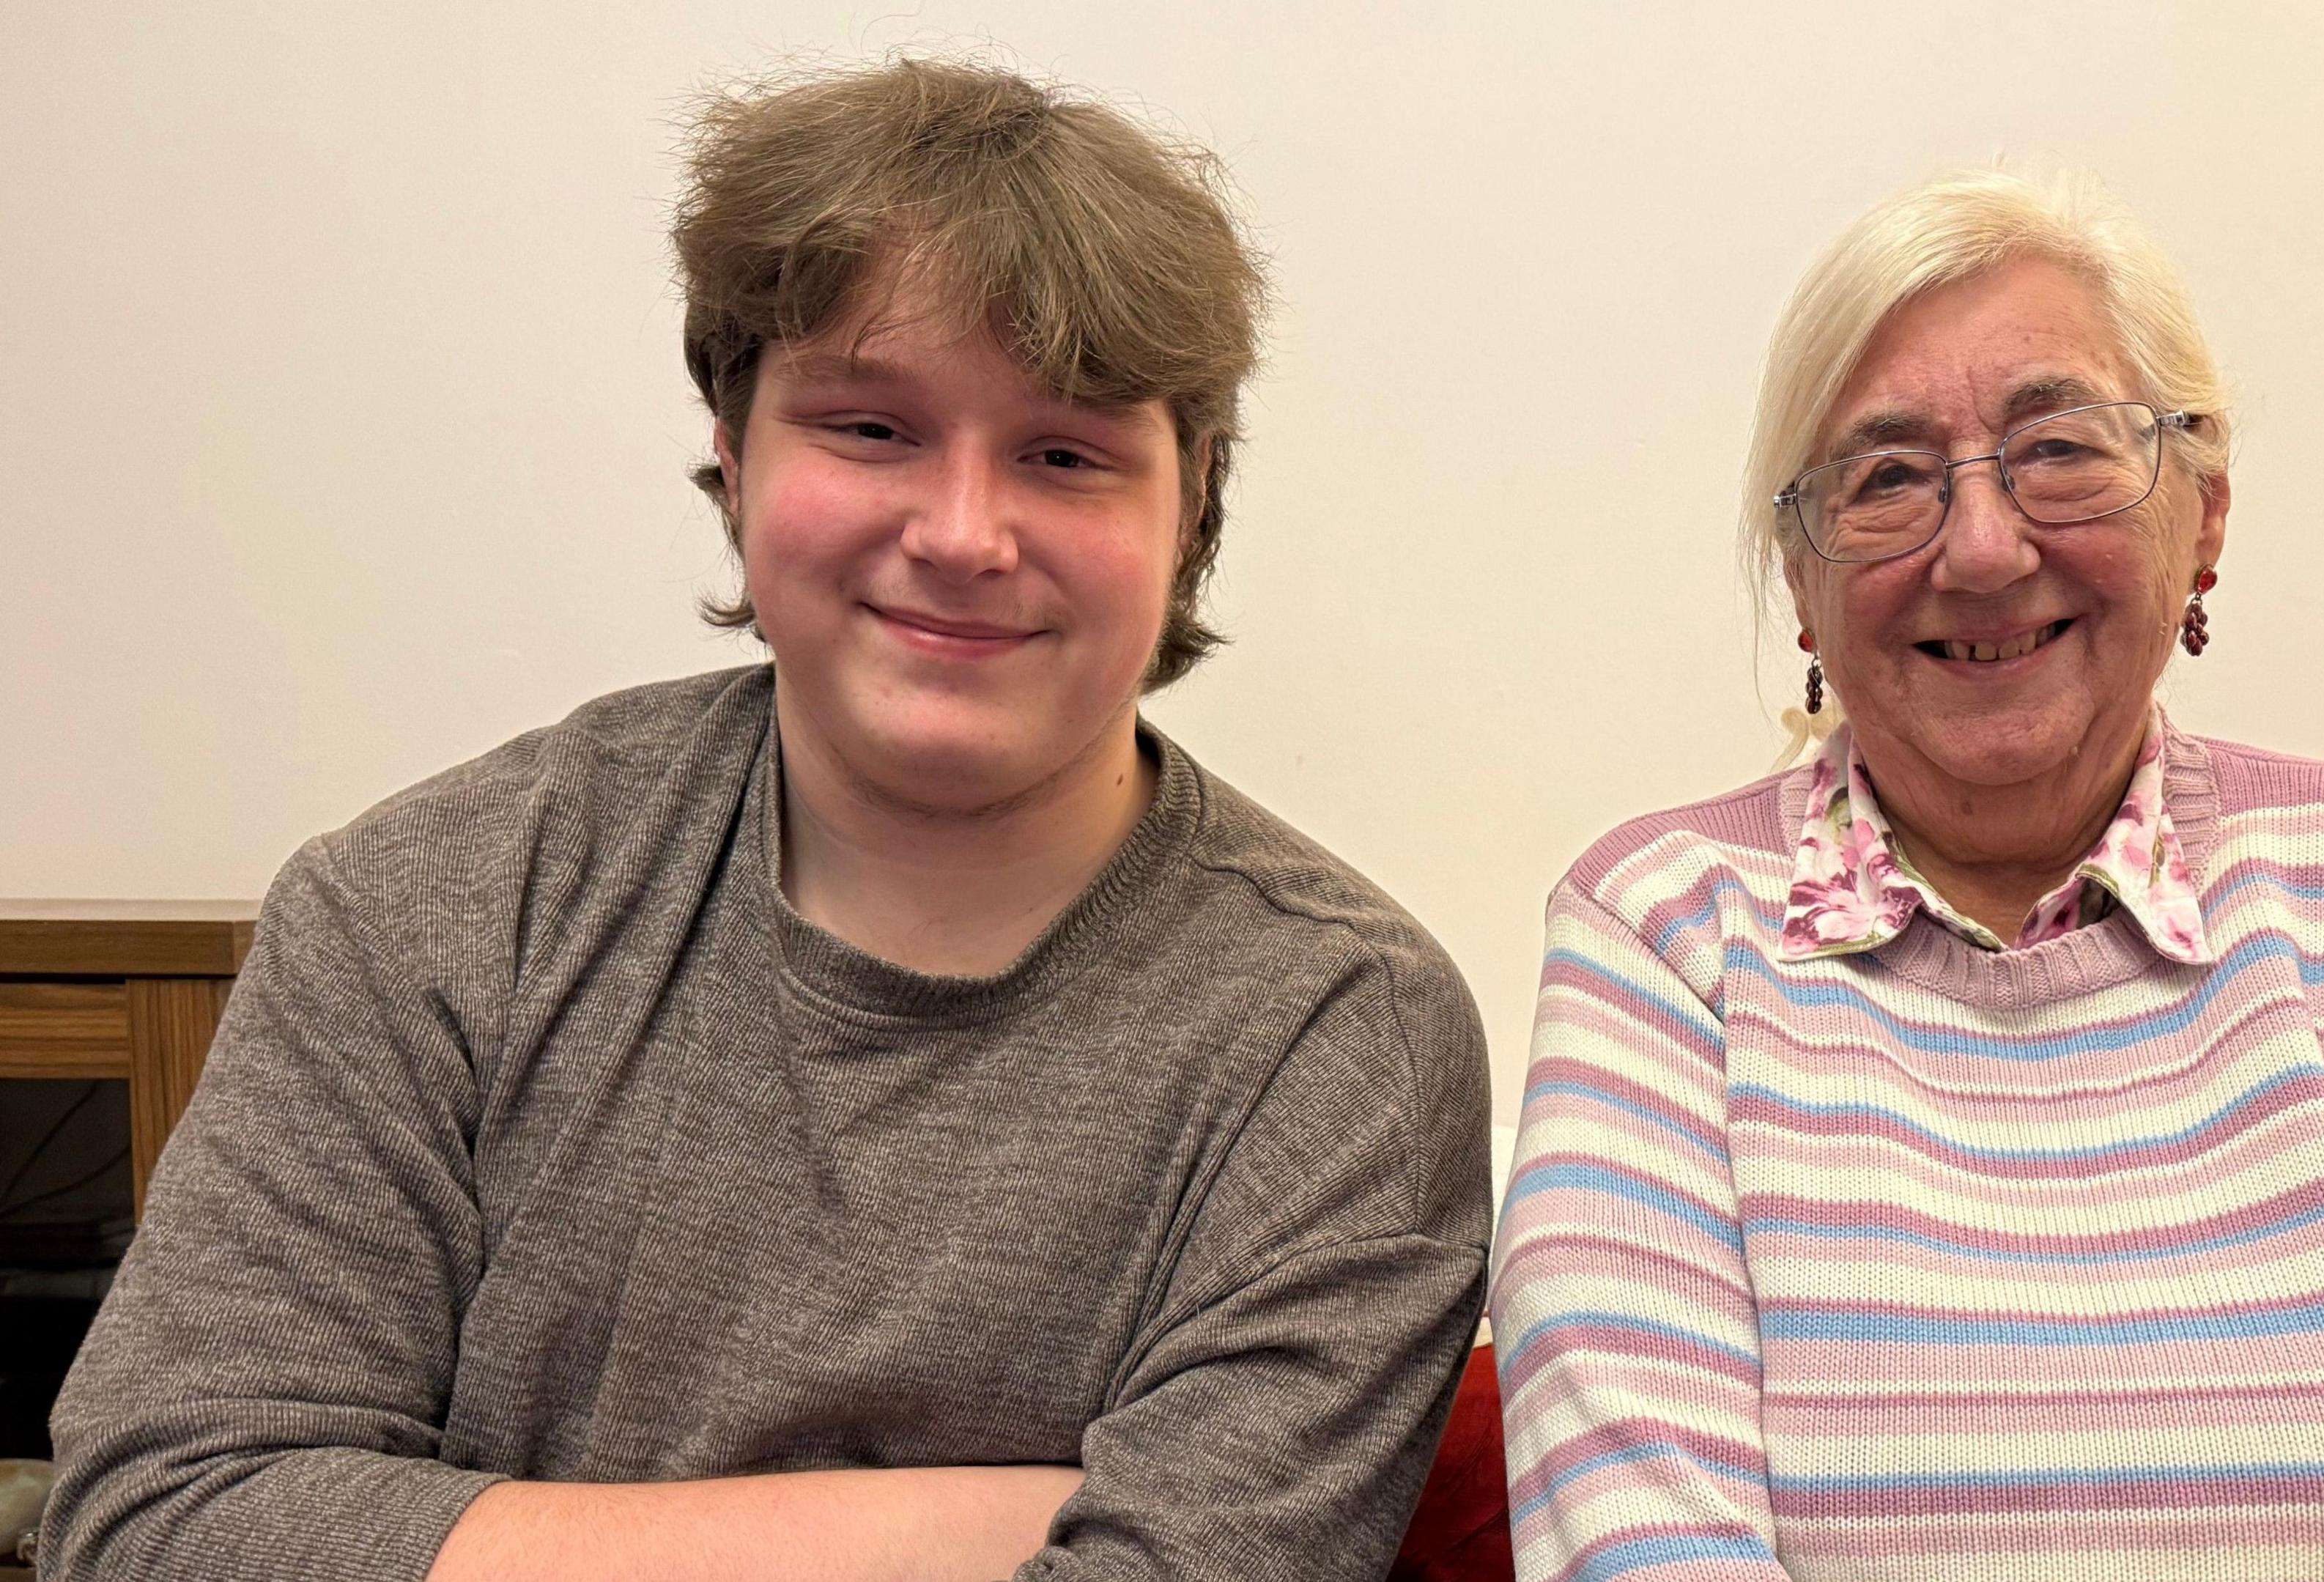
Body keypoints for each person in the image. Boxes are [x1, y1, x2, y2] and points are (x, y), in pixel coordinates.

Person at [42, 58, 1492, 1582]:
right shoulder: (430, 906)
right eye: (872, 429)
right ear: (736, 462)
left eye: (1064, 455)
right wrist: (989, 1517)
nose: (961, 535)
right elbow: (160, 1526)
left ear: (1188, 512)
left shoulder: (1339, 1034)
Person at [1488, 169, 2324, 1581]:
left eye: (2061, 449)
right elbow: (1645, 1547)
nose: (1980, 547)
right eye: (1889, 476)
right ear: (1804, 578)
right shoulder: (1663, 933)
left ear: (2203, 511)